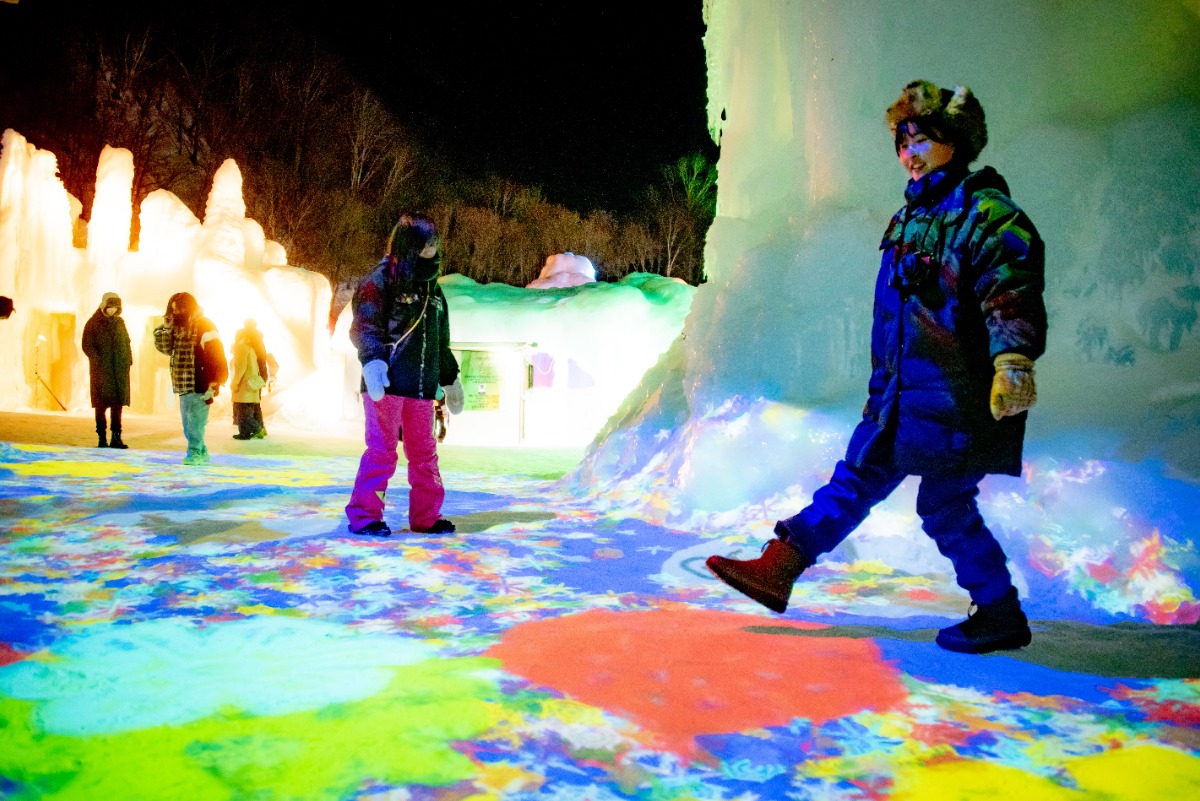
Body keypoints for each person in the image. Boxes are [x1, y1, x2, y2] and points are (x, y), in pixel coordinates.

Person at [707, 80, 1047, 655]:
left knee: (942, 504)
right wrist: (881, 388)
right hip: (899, 393)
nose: (910, 153)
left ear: (954, 142)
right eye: (902, 141)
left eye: (923, 139)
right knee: (856, 476)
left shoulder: (984, 214)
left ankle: (999, 612)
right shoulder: (909, 219)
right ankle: (779, 566)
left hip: (957, 395)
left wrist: (1012, 361)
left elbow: (1009, 290)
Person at [345, 212, 465, 537]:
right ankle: (365, 515)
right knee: (382, 451)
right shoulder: (381, 280)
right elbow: (365, 324)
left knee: (425, 454)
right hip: (386, 384)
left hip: (421, 389)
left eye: (435, 241)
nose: (433, 247)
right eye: (427, 242)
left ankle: (427, 516)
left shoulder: (434, 292)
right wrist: (372, 361)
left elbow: (441, 342)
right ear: (410, 244)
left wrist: (450, 377)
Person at [153, 292, 228, 465]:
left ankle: (195, 453)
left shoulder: (204, 325)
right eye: (173, 309)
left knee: (195, 422)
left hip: (201, 382)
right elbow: (165, 349)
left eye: (180, 309)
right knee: (187, 424)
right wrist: (166, 328)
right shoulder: (176, 327)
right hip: (182, 383)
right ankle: (201, 450)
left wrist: (216, 380)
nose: (177, 312)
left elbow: (216, 353)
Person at [81, 292, 132, 449]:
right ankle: (102, 438)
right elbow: (87, 345)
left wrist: (128, 361)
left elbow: (126, 342)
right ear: (104, 306)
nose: (113, 310)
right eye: (111, 307)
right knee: (101, 405)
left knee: (117, 406)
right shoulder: (93, 323)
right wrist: (98, 361)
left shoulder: (119, 323)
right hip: (101, 372)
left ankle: (116, 438)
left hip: (118, 372)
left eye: (116, 308)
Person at [229, 319, 269, 440]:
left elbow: (241, 367)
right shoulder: (255, 344)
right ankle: (246, 432)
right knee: (251, 407)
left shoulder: (242, 347)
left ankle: (257, 429)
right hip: (255, 379)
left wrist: (234, 383)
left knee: (243, 410)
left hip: (245, 382)